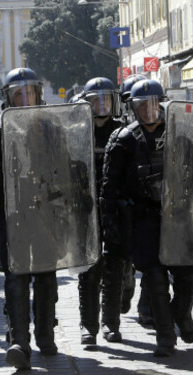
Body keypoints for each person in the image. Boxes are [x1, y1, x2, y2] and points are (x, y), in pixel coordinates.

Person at [101, 79, 193, 357]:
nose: (149, 110)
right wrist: (111, 224)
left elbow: (192, 172)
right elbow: (109, 189)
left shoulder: (179, 134)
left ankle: (180, 315)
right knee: (155, 279)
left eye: (154, 104)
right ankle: (165, 337)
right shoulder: (123, 140)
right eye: (142, 105)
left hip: (177, 217)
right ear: (133, 107)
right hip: (143, 219)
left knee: (190, 278)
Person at [0, 67, 58, 369]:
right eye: (18, 94)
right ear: (8, 99)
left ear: (38, 94)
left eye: (30, 93)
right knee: (16, 280)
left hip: (45, 216)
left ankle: (46, 334)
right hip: (12, 219)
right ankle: (19, 340)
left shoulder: (50, 129)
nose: (25, 99)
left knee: (47, 278)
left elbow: (63, 172)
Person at [75, 77, 124, 345]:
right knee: (89, 270)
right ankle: (89, 326)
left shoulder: (122, 132)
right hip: (86, 210)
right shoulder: (77, 131)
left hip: (115, 210)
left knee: (115, 268)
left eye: (106, 99)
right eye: (96, 100)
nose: (102, 105)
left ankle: (111, 324)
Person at [116, 74, 151, 324]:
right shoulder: (119, 132)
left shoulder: (159, 127)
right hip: (126, 206)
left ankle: (147, 307)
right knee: (125, 258)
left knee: (153, 263)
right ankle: (125, 288)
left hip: (152, 205)